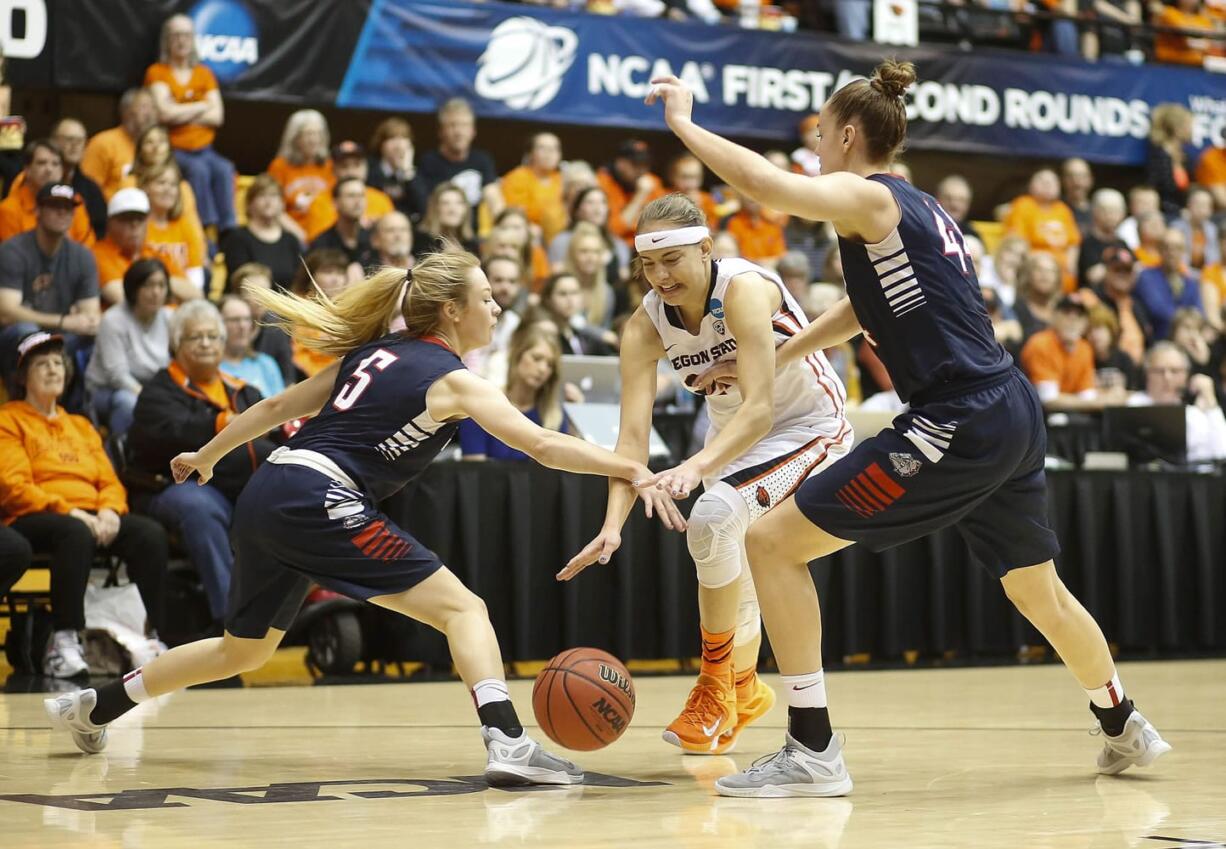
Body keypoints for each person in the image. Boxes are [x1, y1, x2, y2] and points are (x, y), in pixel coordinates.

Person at [644, 58, 1169, 796]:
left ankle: (813, 749)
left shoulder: (870, 198)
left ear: (850, 134)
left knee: (769, 541)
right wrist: (784, 353)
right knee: (1036, 589)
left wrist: (684, 124)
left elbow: (765, 188)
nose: (815, 150)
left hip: (955, 415)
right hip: (1007, 408)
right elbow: (867, 310)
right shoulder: (916, 210)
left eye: (821, 135)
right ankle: (1123, 723)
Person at [43, 248, 673, 790]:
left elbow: (280, 405)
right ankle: (508, 743)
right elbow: (543, 446)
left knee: (243, 650)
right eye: (487, 298)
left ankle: (97, 706)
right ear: (452, 310)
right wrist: (628, 466)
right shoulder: (453, 379)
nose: (498, 309)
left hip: (270, 490)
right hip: (318, 496)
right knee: (465, 610)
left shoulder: (376, 353)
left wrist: (208, 456)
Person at [559, 193, 851, 757]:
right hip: (738, 443)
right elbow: (631, 443)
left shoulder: (743, 290)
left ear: (706, 249)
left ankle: (718, 685)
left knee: (714, 517)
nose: (660, 276)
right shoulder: (644, 327)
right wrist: (613, 524)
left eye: (672, 260)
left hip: (809, 426)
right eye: (648, 264)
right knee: (718, 541)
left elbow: (761, 407)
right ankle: (741, 689)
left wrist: (694, 469)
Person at [0, 331, 167, 678]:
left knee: (148, 534)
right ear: (22, 377)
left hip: (89, 515)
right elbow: (13, 487)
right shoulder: (9, 419)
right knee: (75, 533)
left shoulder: (80, 424)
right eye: (41, 364)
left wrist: (108, 510)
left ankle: (149, 636)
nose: (53, 370)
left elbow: (108, 480)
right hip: (32, 517)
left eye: (58, 363)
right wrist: (71, 511)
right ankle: (64, 641)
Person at [127, 300, 275, 625]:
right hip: (172, 487)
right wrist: (220, 422)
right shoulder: (158, 390)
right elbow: (166, 436)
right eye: (196, 337)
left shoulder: (243, 391)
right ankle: (232, 618)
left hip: (239, 485)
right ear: (177, 344)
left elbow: (273, 435)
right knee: (200, 509)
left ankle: (295, 606)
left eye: (213, 336)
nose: (206, 343)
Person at [0, 183, 100, 388]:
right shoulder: (13, 250)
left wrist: (79, 323)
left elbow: (89, 317)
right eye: (54, 206)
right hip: (15, 339)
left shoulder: (82, 256)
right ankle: (23, 405)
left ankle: (79, 413)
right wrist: (64, 321)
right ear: (37, 211)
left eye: (68, 207)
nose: (62, 212)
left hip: (63, 339)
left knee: (95, 338)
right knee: (27, 331)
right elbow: (7, 313)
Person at [144, 14, 237, 231]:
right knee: (199, 171)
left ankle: (227, 229)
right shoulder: (157, 72)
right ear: (167, 40)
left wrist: (180, 108)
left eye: (186, 35)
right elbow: (164, 114)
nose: (181, 40)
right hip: (174, 149)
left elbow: (218, 117)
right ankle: (203, 228)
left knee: (225, 168)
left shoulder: (204, 73)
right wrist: (201, 105)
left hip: (206, 149)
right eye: (175, 35)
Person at [85, 259, 172, 436]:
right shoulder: (113, 320)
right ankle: (121, 452)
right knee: (129, 402)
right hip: (108, 390)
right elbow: (117, 376)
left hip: (152, 388)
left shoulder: (169, 317)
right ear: (133, 288)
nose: (156, 292)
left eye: (161, 285)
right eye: (148, 285)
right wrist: (151, 398)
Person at [459, 325, 567, 460]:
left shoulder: (555, 416)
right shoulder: (483, 405)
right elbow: (472, 471)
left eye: (550, 365)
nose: (542, 369)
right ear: (517, 356)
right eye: (536, 358)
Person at [92, 188, 192, 306]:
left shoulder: (154, 253)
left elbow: (194, 294)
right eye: (127, 219)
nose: (135, 225)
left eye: (140, 219)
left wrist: (150, 283)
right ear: (110, 223)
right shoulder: (98, 254)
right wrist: (165, 288)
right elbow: (120, 297)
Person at [1129, 341, 1226, 462]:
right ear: (1147, 373)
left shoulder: (1194, 415)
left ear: (1186, 376)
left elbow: (1221, 453)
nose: (1167, 377)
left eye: (1175, 371)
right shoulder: (1133, 404)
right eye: (1159, 371)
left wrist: (1210, 401)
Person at [417, 98, 503, 228]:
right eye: (452, 125)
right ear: (441, 132)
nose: (458, 132)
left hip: (470, 237)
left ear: (473, 132)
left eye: (464, 125)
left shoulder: (482, 160)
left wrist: (504, 223)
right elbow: (425, 204)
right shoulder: (429, 161)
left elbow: (493, 197)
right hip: (437, 234)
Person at [0, 139, 95, 246]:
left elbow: (88, 247)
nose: (49, 169)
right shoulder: (9, 209)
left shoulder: (74, 201)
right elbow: (12, 255)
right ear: (27, 169)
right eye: (42, 163)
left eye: (55, 164)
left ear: (62, 170)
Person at [219, 174, 303, 290]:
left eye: (274, 196)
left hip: (284, 304)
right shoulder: (237, 237)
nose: (268, 201)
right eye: (262, 195)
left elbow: (298, 280)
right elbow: (240, 280)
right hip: (247, 301)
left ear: (282, 203)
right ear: (249, 204)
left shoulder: (291, 240)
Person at [80, 88, 157, 201]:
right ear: (126, 111)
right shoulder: (103, 143)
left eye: (153, 108)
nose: (150, 113)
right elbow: (88, 190)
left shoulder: (156, 146)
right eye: (144, 107)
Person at [50, 118, 107, 239]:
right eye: (69, 139)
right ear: (54, 141)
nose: (75, 145)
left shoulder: (92, 189)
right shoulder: (38, 179)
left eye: (80, 141)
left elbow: (100, 231)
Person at [219, 294, 285, 399]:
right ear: (218, 325)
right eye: (234, 320)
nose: (242, 326)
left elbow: (283, 407)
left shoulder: (265, 364)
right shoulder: (212, 369)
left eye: (247, 319)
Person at [365, 117, 427, 224]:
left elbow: (424, 209)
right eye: (392, 138)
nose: (398, 146)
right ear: (381, 144)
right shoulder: (369, 172)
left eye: (403, 138)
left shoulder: (416, 174)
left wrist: (408, 172)